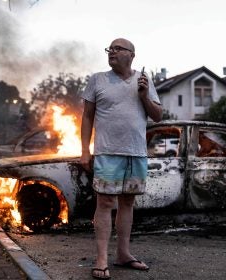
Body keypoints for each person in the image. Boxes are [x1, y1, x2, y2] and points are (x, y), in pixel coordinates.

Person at [80, 38, 162, 279]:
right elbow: (86, 117)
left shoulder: (144, 80)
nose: (111, 52)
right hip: (107, 151)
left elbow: (157, 116)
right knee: (105, 203)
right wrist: (85, 150)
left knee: (128, 203)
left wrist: (145, 95)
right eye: (109, 49)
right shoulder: (98, 79)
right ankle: (101, 258)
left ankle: (123, 254)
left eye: (117, 48)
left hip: (136, 152)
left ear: (131, 55)